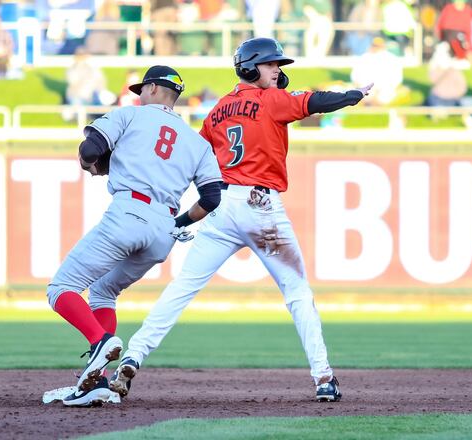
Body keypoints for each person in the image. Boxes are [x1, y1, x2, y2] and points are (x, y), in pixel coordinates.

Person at [110, 38, 372, 403]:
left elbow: (194, 159)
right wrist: (352, 95)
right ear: (251, 67)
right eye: (271, 65)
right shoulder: (272, 100)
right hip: (260, 206)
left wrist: (184, 215)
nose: (278, 70)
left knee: (182, 287)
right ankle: (324, 377)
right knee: (297, 292)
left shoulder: (217, 109)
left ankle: (133, 357)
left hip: (221, 208)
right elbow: (314, 102)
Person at [46, 65, 224, 407]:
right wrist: (180, 221)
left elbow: (90, 150)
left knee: (61, 288)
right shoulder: (196, 142)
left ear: (155, 89)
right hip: (165, 229)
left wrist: (92, 165)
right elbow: (212, 197)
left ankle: (101, 341)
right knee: (103, 289)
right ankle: (93, 382)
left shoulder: (130, 115)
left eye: (143, 88)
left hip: (129, 210)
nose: (138, 94)